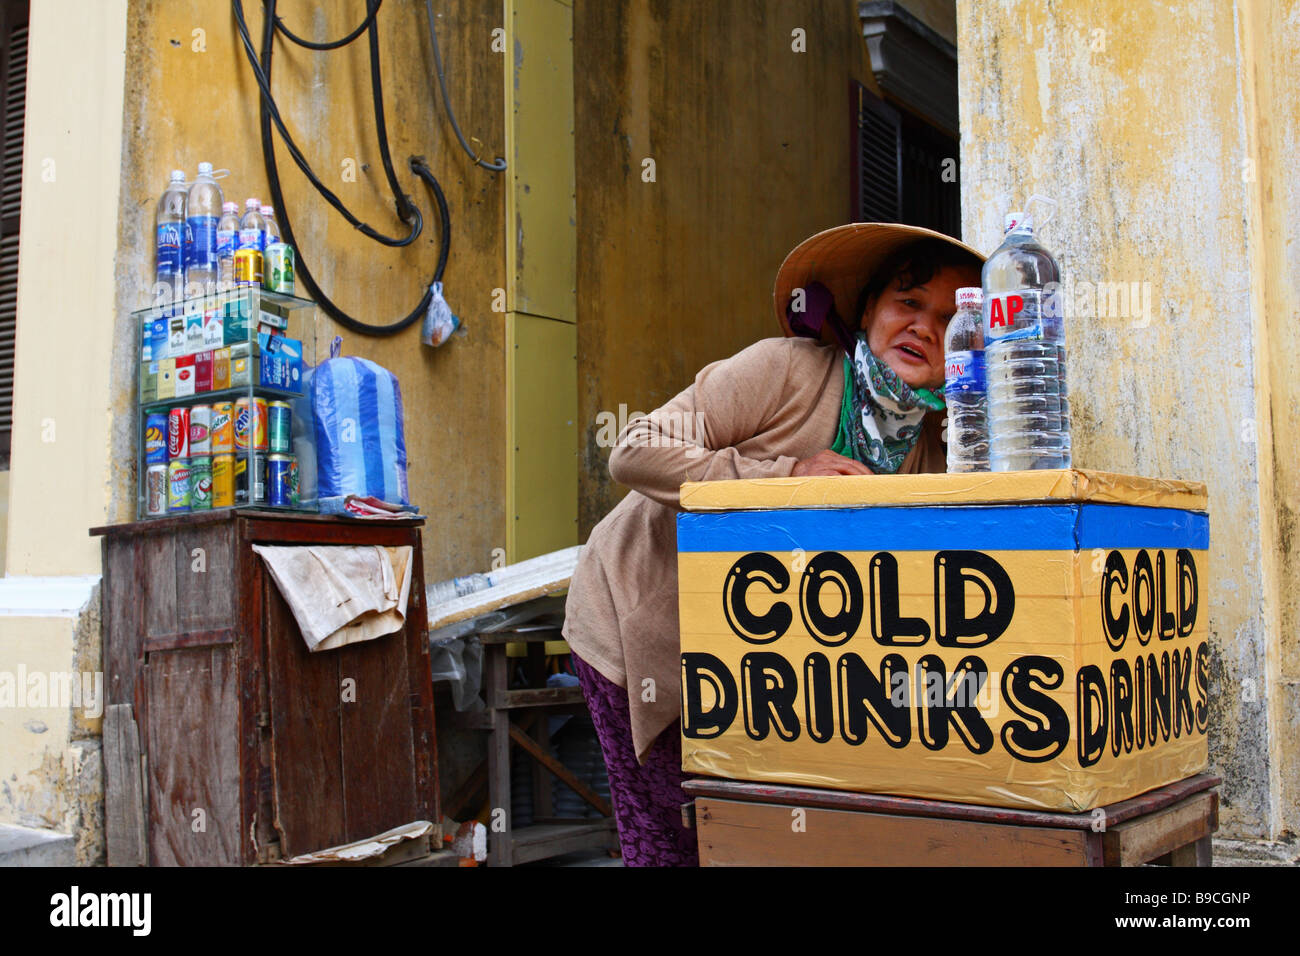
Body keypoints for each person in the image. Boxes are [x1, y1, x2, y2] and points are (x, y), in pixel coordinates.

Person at [561, 223, 985, 866]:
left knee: (764, 840)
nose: (926, 326)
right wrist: (786, 479)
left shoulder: (932, 451)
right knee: (679, 837)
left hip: (756, 662)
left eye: (950, 319)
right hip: (641, 622)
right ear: (868, 308)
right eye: (910, 302)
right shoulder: (785, 371)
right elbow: (634, 450)